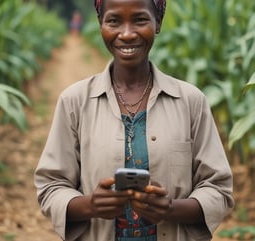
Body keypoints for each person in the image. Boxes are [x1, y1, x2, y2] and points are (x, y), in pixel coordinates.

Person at [34, 0, 234, 240]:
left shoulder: (190, 102)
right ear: (100, 24)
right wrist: (91, 205)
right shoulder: (74, 102)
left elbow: (218, 189)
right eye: (114, 21)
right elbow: (50, 187)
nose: (127, 34)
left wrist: (171, 208)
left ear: (157, 22)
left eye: (140, 20)